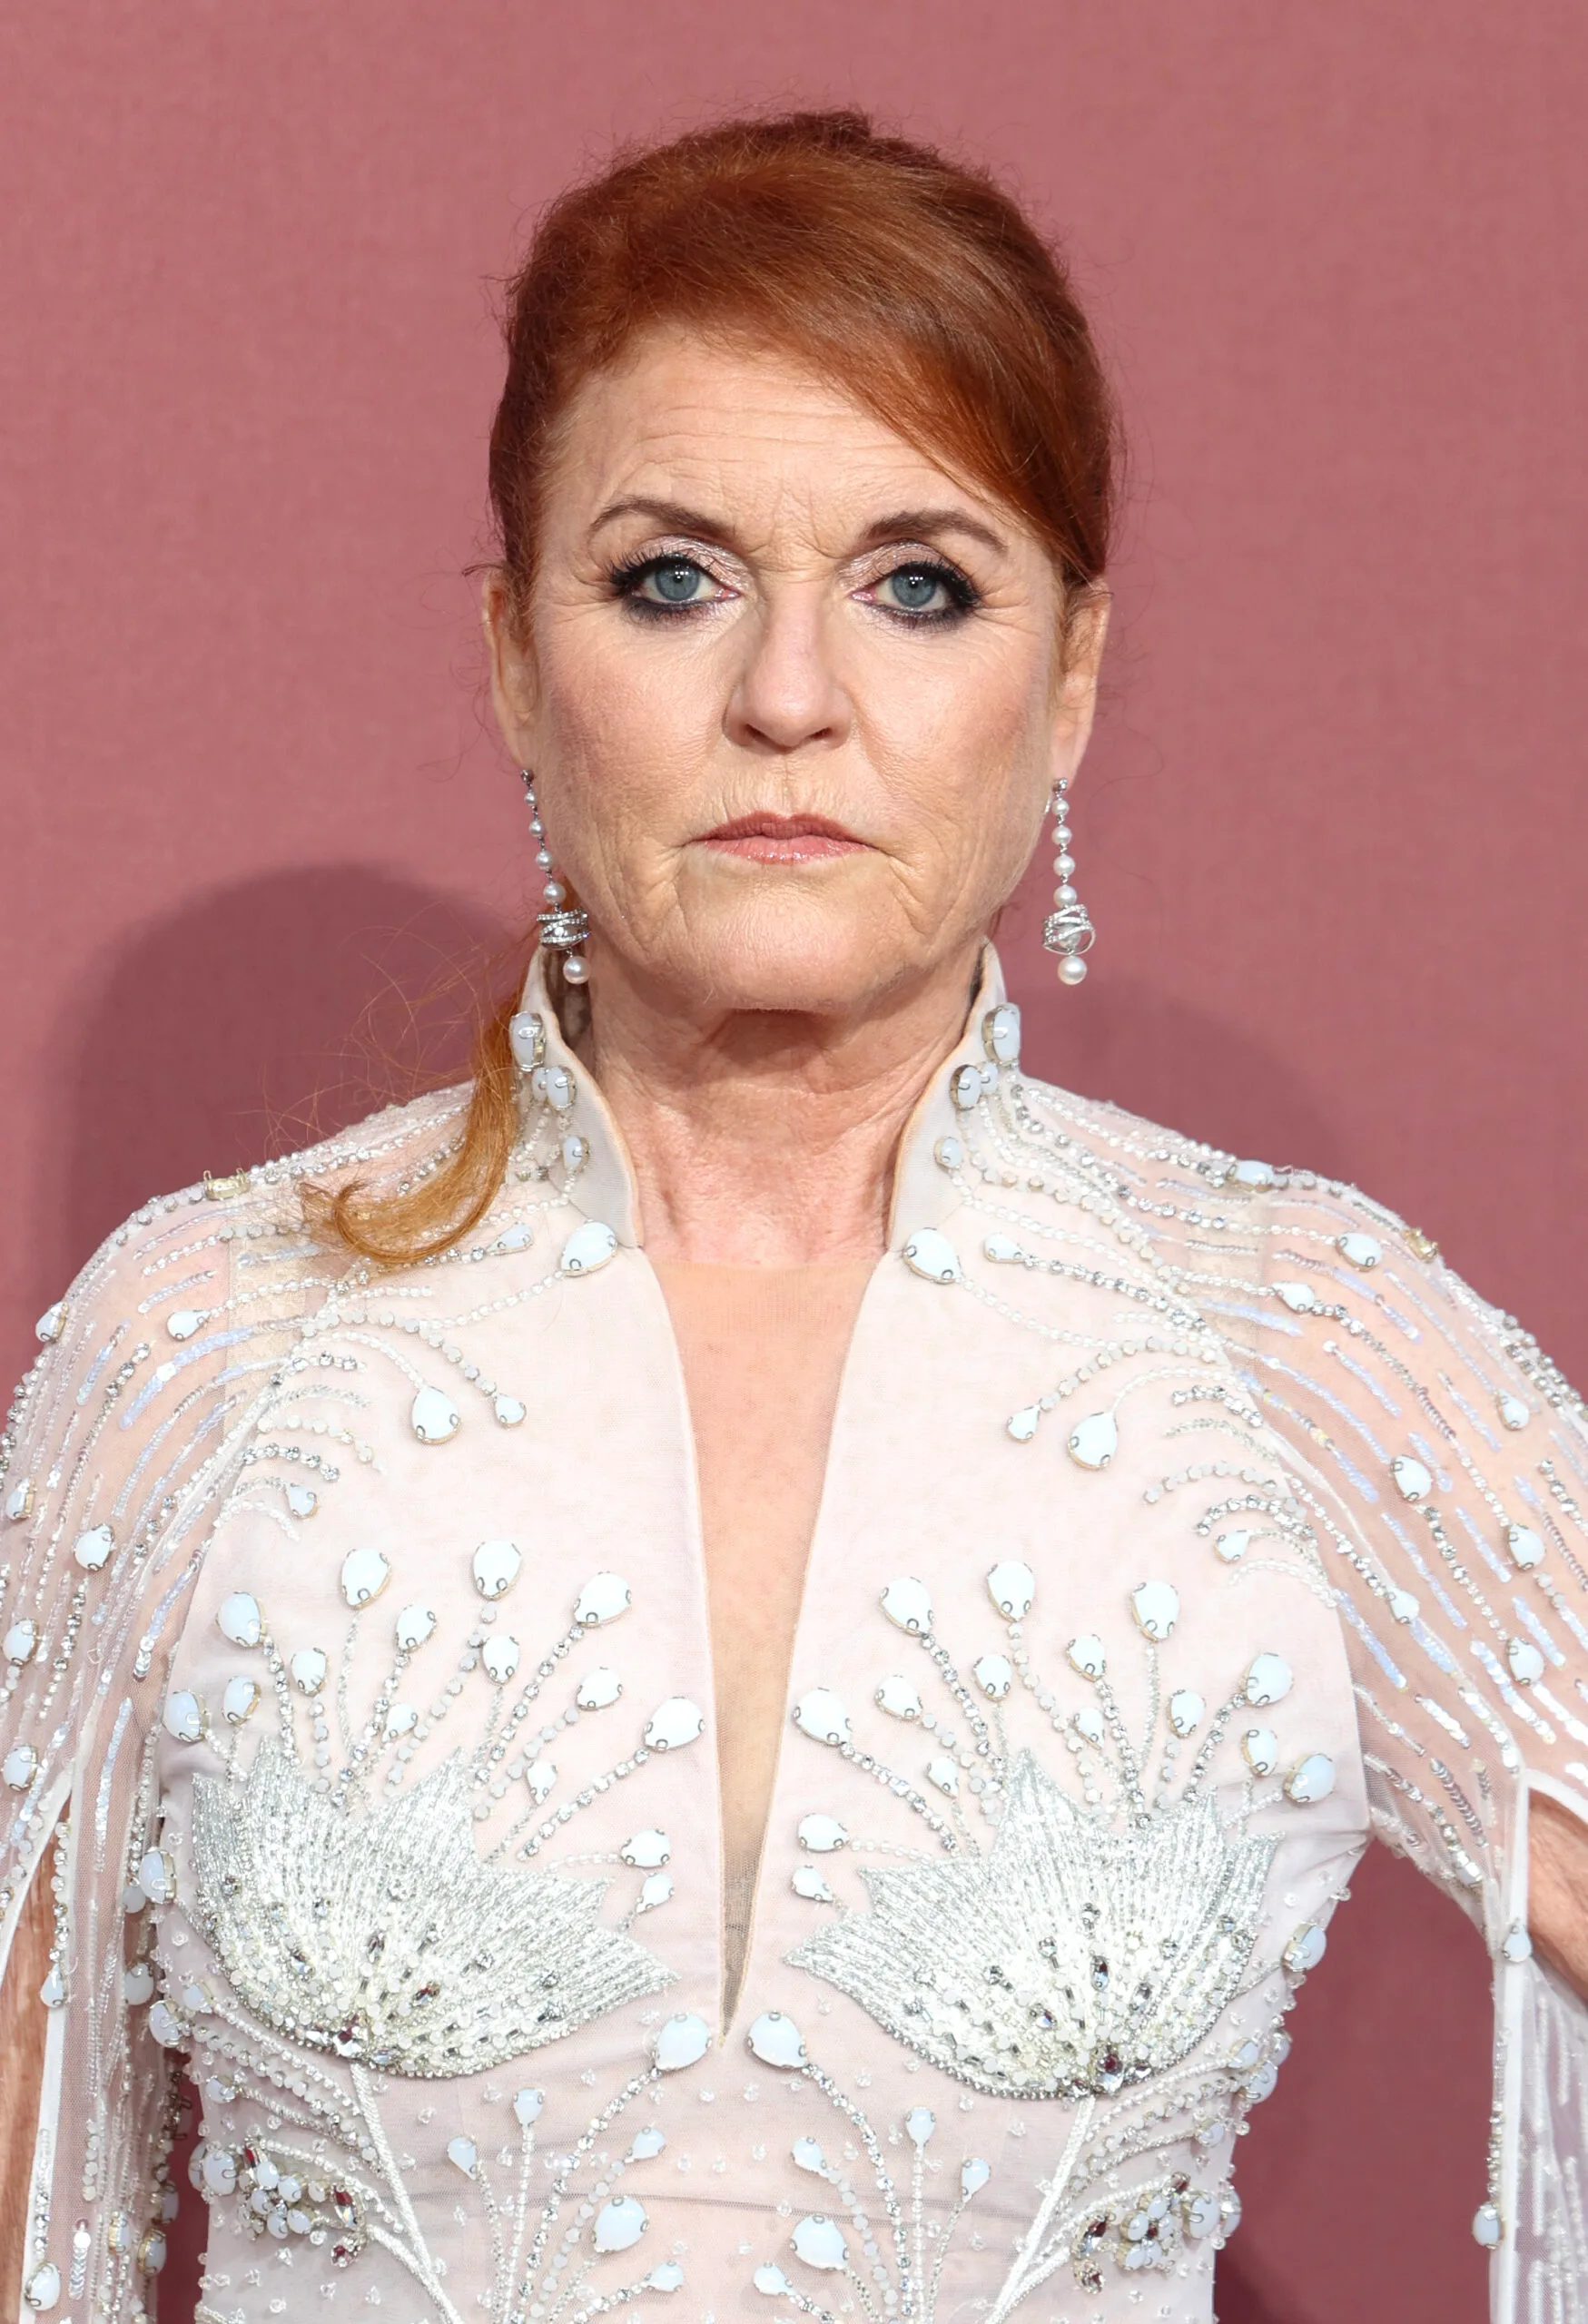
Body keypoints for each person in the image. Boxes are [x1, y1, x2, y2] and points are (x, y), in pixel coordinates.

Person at [1, 109, 1584, 2324]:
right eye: (671, 577)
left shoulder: (1290, 1343)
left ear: (1074, 683)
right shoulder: (203, 1340)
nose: (788, 696)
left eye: (920, 582)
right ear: (506, 660)